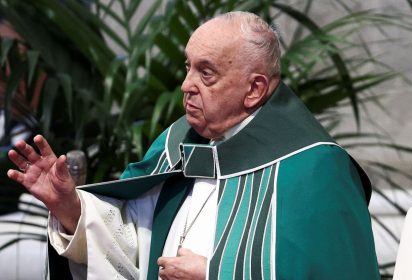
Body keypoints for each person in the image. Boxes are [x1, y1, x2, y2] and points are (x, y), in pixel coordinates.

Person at [7, 11, 380, 280]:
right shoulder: (177, 145)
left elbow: (335, 271)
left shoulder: (315, 168)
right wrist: (69, 207)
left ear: (254, 89)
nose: (186, 85)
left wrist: (213, 274)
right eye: (188, 67)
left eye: (207, 73)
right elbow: (131, 245)